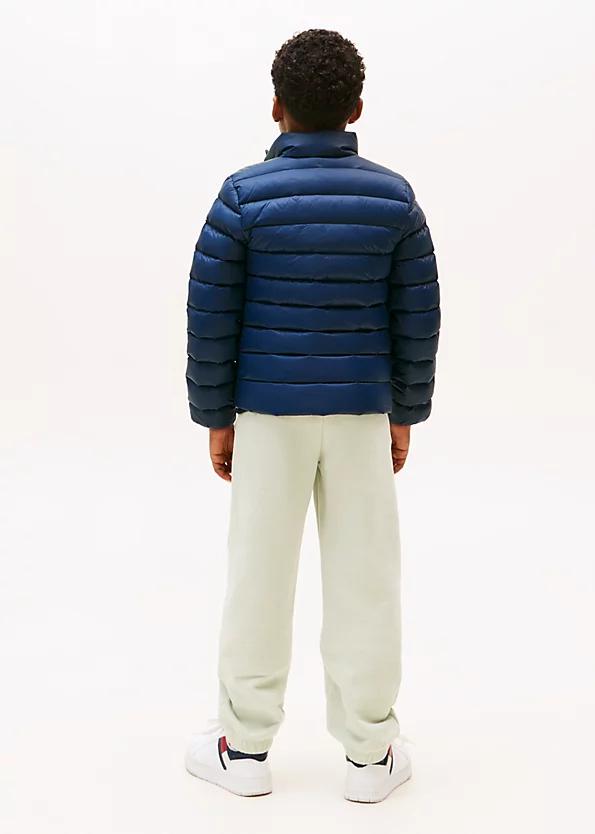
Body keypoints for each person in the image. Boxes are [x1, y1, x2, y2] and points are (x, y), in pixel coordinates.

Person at [184, 28, 440, 803]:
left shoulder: (242, 196)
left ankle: (243, 750)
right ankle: (369, 755)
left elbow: (210, 316)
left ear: (276, 105)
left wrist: (216, 417)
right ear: (355, 108)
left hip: (266, 413)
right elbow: (417, 316)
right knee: (366, 581)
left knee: (257, 578)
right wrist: (404, 411)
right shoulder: (392, 199)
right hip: (362, 412)